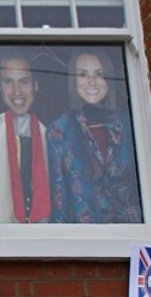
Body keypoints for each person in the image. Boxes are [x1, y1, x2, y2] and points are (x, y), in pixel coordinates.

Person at [48, 49, 143, 223]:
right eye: (83, 75)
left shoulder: (128, 123)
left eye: (99, 74)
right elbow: (58, 195)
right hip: (85, 230)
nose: (92, 82)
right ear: (73, 80)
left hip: (133, 229)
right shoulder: (60, 130)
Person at [0, 50, 51, 223]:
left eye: (24, 81)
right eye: (8, 81)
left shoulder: (47, 135)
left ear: (35, 85)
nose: (17, 91)